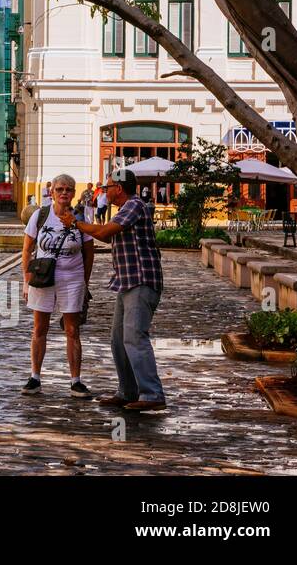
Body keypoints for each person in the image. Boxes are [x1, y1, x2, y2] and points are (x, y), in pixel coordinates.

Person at [70, 168, 166, 412]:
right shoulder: (125, 210)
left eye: (108, 187)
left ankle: (152, 393)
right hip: (127, 281)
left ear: (119, 189)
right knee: (117, 341)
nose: (105, 190)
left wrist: (75, 223)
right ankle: (128, 391)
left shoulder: (135, 205)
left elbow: (103, 232)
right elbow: (107, 236)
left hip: (141, 280)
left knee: (134, 337)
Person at [21, 174, 95, 398]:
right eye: (60, 189)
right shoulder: (40, 216)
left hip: (71, 277)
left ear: (74, 193)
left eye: (69, 189)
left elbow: (89, 254)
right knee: (39, 328)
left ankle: (75, 380)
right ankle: (35, 377)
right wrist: (26, 280)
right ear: (51, 192)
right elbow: (27, 249)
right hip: (43, 277)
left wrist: (84, 282)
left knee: (72, 329)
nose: (64, 193)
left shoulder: (80, 218)